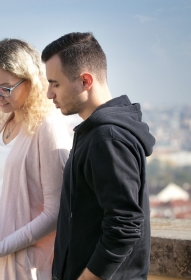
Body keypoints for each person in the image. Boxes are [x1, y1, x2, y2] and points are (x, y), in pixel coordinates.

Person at [41, 32, 156, 280]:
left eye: (55, 83)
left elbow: (124, 225)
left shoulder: (107, 137)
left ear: (85, 81)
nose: (49, 94)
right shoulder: (94, 132)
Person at [0, 38, 71, 280]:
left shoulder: (47, 127)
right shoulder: (5, 122)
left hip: (21, 266)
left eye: (5, 87)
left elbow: (55, 212)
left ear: (31, 82)